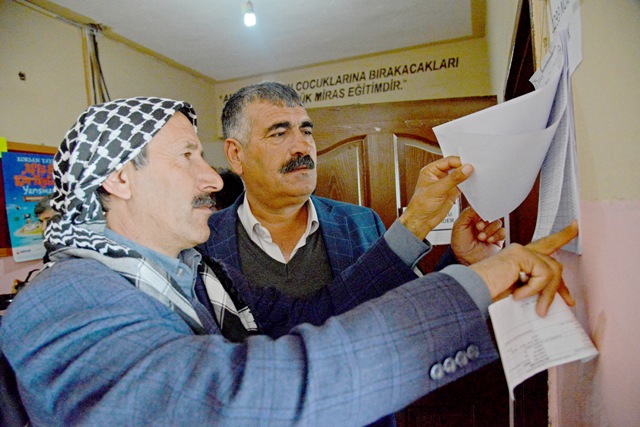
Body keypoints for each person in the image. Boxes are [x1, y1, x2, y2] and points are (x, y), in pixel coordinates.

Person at [0, 97, 578, 426]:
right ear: (120, 179)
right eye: (186, 157)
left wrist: (448, 255)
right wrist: (468, 289)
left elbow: (318, 312)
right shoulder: (64, 300)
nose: (210, 179)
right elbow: (229, 401)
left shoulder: (200, 277)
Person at [200, 81, 506, 299]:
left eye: (306, 131)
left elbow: (410, 307)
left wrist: (463, 261)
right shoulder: (203, 242)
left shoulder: (362, 222)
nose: (302, 146)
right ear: (236, 155)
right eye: (279, 133)